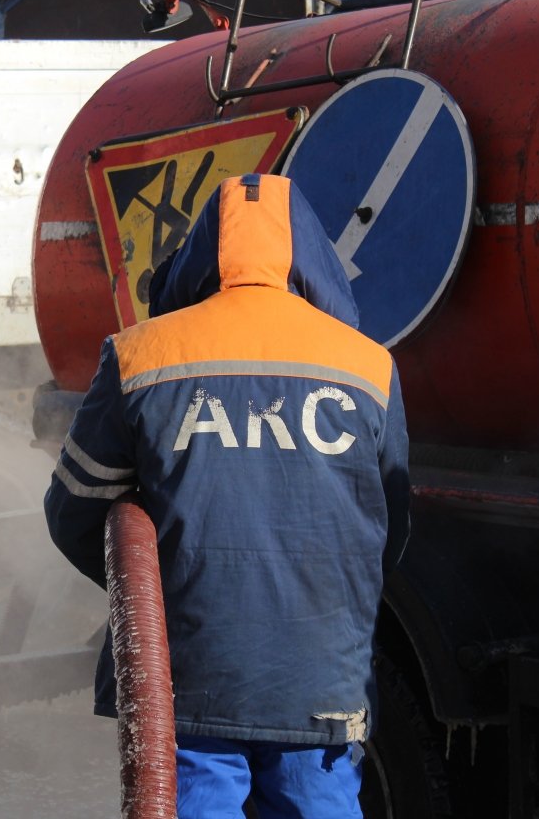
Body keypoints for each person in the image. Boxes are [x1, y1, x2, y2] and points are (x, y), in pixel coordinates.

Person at [44, 173, 410, 817]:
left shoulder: (139, 356)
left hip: (190, 677)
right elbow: (391, 527)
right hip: (319, 675)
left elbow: (74, 511)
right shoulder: (368, 367)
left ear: (199, 254)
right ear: (311, 260)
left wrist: (170, 599)